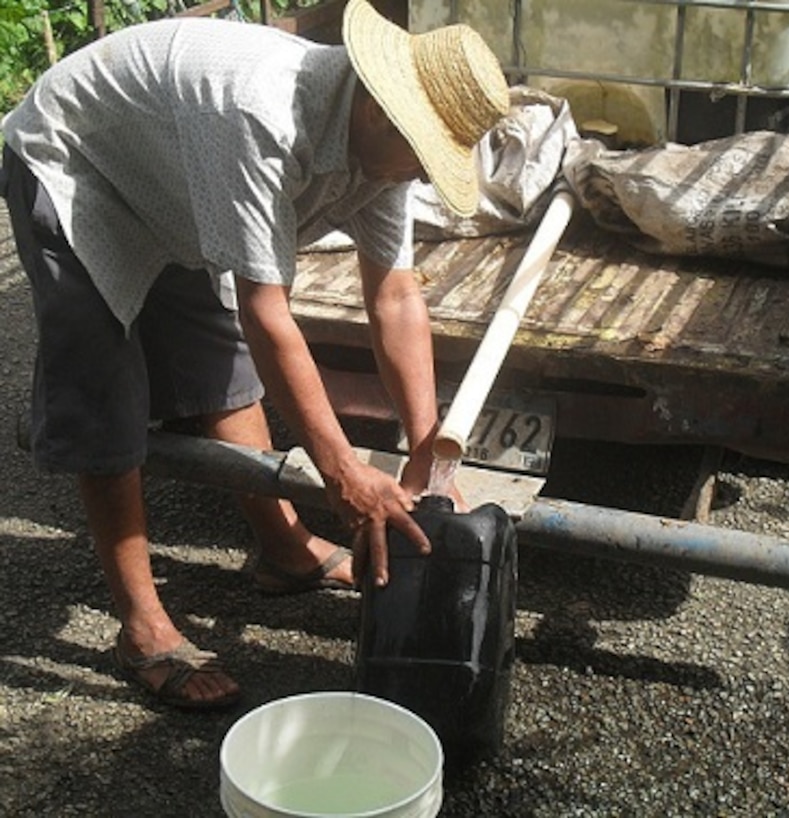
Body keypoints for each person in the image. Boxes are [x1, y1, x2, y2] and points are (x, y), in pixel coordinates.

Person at [0, 0, 510, 709]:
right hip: (79, 159)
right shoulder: (260, 115)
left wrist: (428, 451)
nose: (424, 178)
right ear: (379, 113)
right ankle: (143, 627)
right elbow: (268, 312)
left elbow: (394, 297)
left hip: (171, 175)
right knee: (106, 389)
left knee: (222, 365)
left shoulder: (384, 154)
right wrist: (343, 473)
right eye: (424, 158)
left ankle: (282, 549)